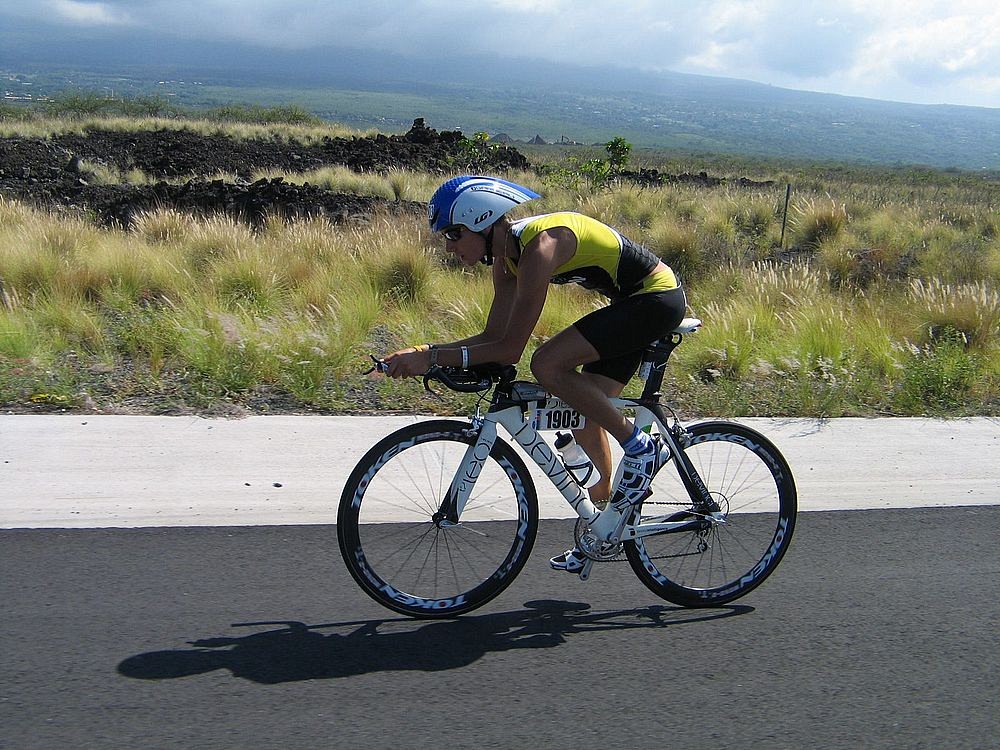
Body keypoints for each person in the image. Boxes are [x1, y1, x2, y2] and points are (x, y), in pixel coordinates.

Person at [382, 175, 687, 572]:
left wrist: (431, 357)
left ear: (482, 221)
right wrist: (428, 353)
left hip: (656, 300)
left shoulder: (540, 249)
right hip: (631, 303)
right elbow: (493, 336)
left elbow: (511, 349)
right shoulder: (507, 260)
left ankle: (641, 447)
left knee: (547, 364)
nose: (449, 246)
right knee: (582, 409)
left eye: (454, 234)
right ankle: (606, 525)